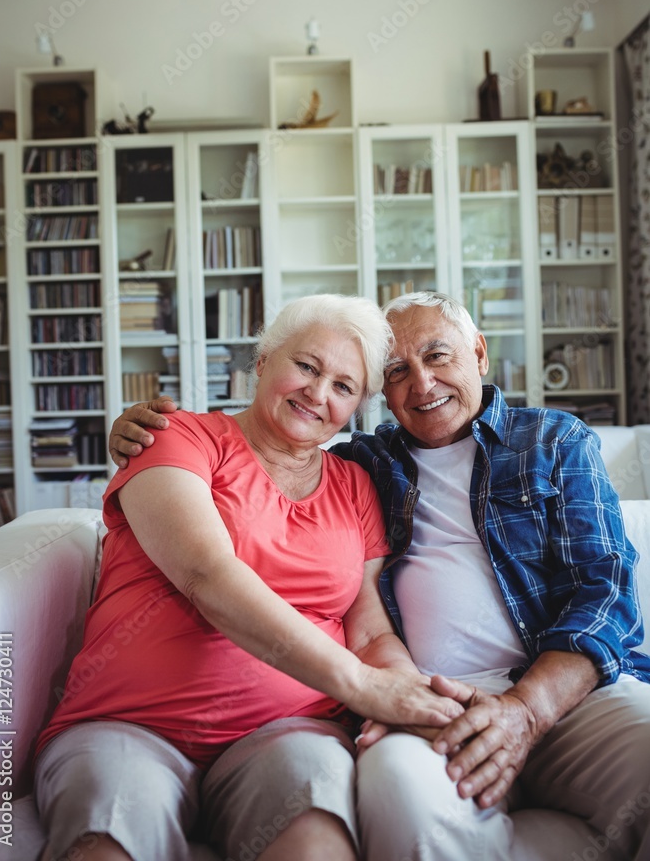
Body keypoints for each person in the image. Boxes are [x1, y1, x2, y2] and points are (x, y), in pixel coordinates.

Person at [112, 290, 650, 861]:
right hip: (434, 703)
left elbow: (609, 592)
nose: (422, 384)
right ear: (381, 394)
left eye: (439, 356)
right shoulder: (366, 465)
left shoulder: (553, 441)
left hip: (565, 695)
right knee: (398, 786)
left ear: (479, 353)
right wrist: (137, 429)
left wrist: (526, 710)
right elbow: (273, 438)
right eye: (397, 370)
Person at [35, 293, 469, 861]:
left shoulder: (356, 485)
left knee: (314, 840)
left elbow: (367, 629)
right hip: (129, 725)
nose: (317, 394)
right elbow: (206, 574)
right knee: (107, 839)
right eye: (306, 367)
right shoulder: (175, 437)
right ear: (262, 360)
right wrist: (362, 687)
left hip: (286, 730)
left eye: (343, 387)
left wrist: (411, 695)